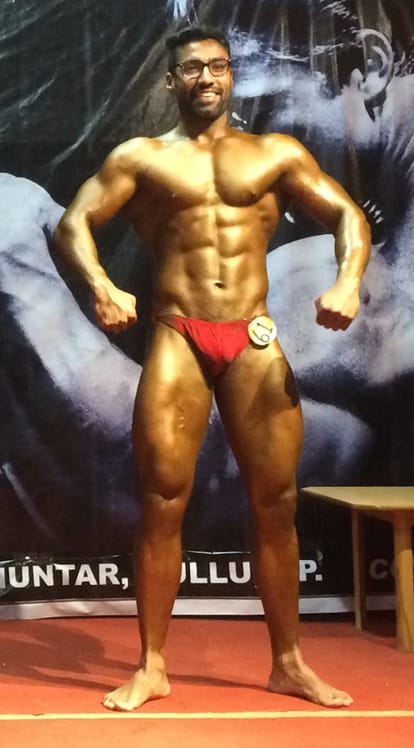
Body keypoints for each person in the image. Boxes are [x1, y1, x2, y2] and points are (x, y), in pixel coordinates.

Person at [53, 25, 371, 711]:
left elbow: (347, 215)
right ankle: (151, 666)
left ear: (231, 75)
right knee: (163, 500)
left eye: (218, 66)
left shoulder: (275, 154)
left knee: (276, 503)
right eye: (193, 68)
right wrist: (101, 286)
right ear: (171, 80)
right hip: (178, 335)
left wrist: (348, 281)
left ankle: (289, 663)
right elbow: (74, 223)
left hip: (252, 335)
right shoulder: (142, 158)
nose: (207, 77)